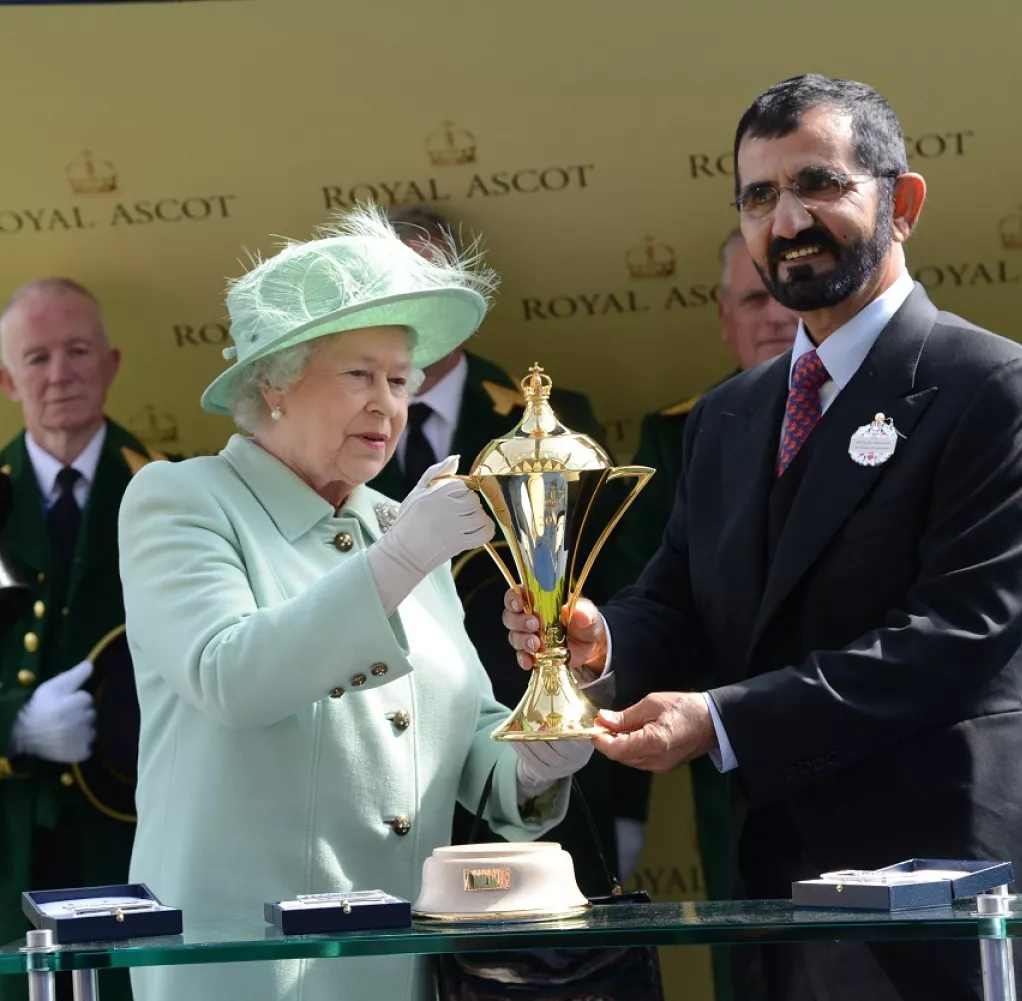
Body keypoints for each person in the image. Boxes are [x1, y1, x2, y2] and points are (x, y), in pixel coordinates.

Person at [504, 73, 1022, 1001]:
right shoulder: (729, 416)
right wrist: (599, 643)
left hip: (947, 893)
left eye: (818, 184)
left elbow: (959, 632)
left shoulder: (1001, 390)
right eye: (759, 195)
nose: (787, 221)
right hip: (777, 895)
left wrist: (724, 719)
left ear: (902, 203)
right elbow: (679, 597)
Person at [117, 206, 592, 1001]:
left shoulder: (395, 522)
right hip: (242, 975)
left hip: (399, 972)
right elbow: (230, 676)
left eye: (401, 381)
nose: (387, 404)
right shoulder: (180, 498)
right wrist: (401, 556)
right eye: (358, 375)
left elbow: (470, 739)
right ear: (273, 381)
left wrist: (540, 758)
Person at [368, 203, 633, 895]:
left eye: (426, 282)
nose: (409, 304)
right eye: (386, 285)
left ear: (464, 299)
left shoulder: (554, 425)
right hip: (393, 794)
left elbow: (614, 613)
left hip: (538, 785)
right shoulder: (340, 444)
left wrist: (628, 800)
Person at [593, 227, 798, 1000]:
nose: (775, 314)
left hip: (865, 755)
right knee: (751, 968)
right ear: (723, 317)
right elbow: (655, 599)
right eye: (754, 298)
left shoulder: (891, 413)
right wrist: (599, 640)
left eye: (785, 293)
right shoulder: (688, 430)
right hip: (729, 767)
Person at [0, 278, 161, 1001]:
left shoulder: (171, 494)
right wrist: (15, 725)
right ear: (8, 380)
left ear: (112, 363)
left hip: (132, 844)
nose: (59, 374)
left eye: (77, 351)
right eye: (36, 358)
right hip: (12, 847)